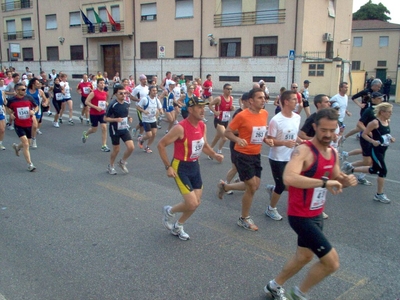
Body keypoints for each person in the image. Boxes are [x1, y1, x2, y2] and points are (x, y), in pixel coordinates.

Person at [264, 108, 357, 300]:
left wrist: (345, 181)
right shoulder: (304, 150)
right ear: (314, 127)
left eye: (333, 130)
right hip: (300, 216)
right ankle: (299, 294)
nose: (328, 135)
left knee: (304, 256)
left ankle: (274, 286)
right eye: (324, 130)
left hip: (316, 214)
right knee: (331, 263)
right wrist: (324, 182)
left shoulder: (332, 152)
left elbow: (336, 178)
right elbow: (288, 178)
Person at [158, 96, 223, 241]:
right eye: (199, 107)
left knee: (195, 203)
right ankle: (170, 211)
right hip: (180, 166)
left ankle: (177, 224)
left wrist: (214, 154)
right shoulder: (180, 128)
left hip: (194, 165)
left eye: (203, 107)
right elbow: (161, 145)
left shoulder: (202, 125)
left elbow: (204, 145)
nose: (203, 110)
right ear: (190, 109)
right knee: (192, 203)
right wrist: (168, 167)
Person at [224, 88, 274, 231]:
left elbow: (259, 132)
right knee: (252, 186)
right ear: (251, 101)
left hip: (256, 154)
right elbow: (228, 132)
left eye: (264, 97)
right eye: (260, 98)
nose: (263, 100)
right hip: (242, 154)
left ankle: (226, 187)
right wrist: (237, 139)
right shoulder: (242, 115)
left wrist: (266, 140)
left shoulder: (264, 113)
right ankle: (244, 218)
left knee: (255, 186)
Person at [343, 103, 394, 204]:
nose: (390, 114)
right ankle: (379, 195)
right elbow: (364, 134)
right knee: (382, 171)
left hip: (383, 149)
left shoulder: (387, 121)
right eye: (389, 112)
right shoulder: (375, 122)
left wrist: (390, 137)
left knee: (374, 169)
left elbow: (384, 133)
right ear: (382, 112)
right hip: (375, 150)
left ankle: (351, 169)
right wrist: (372, 141)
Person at [265, 90, 302, 221]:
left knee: (291, 184)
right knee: (282, 185)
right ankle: (270, 209)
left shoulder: (297, 117)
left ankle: (273, 190)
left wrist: (301, 142)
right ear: (286, 102)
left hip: (291, 157)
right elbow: (270, 141)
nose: (297, 102)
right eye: (294, 99)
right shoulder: (276, 120)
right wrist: (284, 143)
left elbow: (294, 134)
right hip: (277, 158)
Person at [217, 92, 251, 198]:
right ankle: (225, 185)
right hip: (236, 143)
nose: (252, 103)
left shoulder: (251, 113)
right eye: (250, 101)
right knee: (235, 167)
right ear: (244, 101)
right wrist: (244, 130)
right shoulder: (239, 113)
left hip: (246, 144)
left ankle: (237, 181)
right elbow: (232, 131)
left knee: (242, 166)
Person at [6, 83, 38, 171]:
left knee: (28, 142)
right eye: (22, 89)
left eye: (25, 89)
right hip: (19, 125)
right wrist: (11, 114)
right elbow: (7, 108)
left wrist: (33, 112)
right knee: (26, 144)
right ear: (17, 91)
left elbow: (36, 107)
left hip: (28, 124)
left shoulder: (29, 98)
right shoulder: (12, 100)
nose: (24, 91)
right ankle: (30, 164)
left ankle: (17, 147)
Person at [104, 85, 134, 175]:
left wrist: (129, 117)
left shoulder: (126, 103)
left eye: (125, 93)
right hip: (114, 129)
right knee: (116, 149)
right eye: (121, 93)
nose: (123, 95)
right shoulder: (112, 105)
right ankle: (111, 165)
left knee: (131, 147)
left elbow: (125, 113)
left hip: (124, 128)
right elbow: (105, 118)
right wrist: (115, 120)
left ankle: (122, 162)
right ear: (116, 94)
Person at [82, 78, 110, 152]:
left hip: (102, 113)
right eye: (101, 83)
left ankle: (104, 145)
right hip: (94, 113)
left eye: (103, 83)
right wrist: (95, 107)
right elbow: (86, 102)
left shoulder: (105, 93)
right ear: (97, 84)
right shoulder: (93, 92)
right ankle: (86, 134)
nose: (102, 84)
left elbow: (104, 101)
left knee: (104, 127)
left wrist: (106, 104)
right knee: (94, 129)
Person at [208, 83, 235, 155]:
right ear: (223, 90)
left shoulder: (231, 98)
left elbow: (229, 108)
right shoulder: (219, 98)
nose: (229, 91)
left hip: (226, 121)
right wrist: (215, 112)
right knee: (225, 137)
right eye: (228, 89)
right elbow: (210, 104)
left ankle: (210, 150)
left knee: (217, 137)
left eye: (231, 89)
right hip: (218, 121)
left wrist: (232, 108)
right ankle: (219, 151)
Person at [137, 85, 163, 153]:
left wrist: (161, 111)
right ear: (150, 91)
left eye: (156, 91)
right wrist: (144, 111)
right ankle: (141, 139)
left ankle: (147, 146)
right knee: (149, 135)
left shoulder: (156, 99)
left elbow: (160, 107)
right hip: (146, 119)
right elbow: (138, 107)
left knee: (154, 134)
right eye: (153, 91)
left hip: (153, 119)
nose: (155, 92)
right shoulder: (145, 99)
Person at [26, 77, 48, 148]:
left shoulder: (40, 91)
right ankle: (28, 139)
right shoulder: (26, 91)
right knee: (28, 126)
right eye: (37, 83)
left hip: (37, 110)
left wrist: (45, 103)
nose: (39, 85)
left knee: (35, 126)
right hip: (27, 110)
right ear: (33, 84)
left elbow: (45, 99)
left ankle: (33, 140)